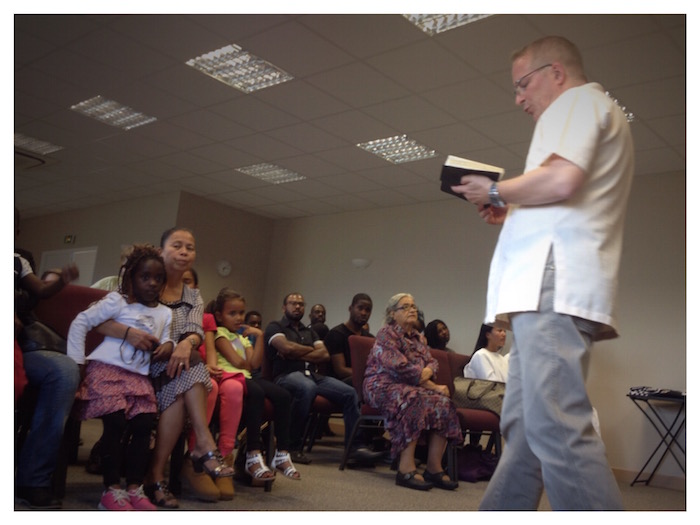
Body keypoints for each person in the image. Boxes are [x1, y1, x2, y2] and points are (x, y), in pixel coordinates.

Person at [451, 36, 632, 510]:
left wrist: (494, 191)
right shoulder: (595, 112)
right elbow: (566, 198)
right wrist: (511, 211)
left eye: (523, 84)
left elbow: (561, 178)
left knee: (555, 427)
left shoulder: (576, 102)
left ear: (556, 72)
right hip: (556, 284)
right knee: (527, 430)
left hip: (552, 286)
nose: (518, 98)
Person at [95, 227, 232, 508]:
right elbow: (98, 319)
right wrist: (131, 334)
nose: (184, 252)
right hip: (139, 365)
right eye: (177, 245)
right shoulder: (143, 282)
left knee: (181, 386)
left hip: (175, 368)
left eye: (190, 247)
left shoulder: (193, 295)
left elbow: (195, 331)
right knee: (191, 366)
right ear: (161, 251)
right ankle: (200, 446)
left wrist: (186, 344)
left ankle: (156, 475)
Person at [67, 244, 172, 510]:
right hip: (106, 369)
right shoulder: (117, 301)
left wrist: (168, 346)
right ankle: (111, 490)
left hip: (138, 378)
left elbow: (167, 336)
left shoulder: (165, 312)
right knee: (115, 424)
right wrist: (77, 363)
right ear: (131, 278)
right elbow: (81, 321)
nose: (152, 283)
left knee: (144, 426)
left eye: (158, 278)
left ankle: (135, 488)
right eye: (145, 277)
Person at [264, 293, 382, 465]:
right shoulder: (275, 327)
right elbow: (285, 347)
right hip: (286, 375)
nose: (297, 307)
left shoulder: (310, 332)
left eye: (301, 304)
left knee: (350, 393)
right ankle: (290, 447)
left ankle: (354, 448)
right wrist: (306, 351)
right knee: (307, 387)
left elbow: (325, 354)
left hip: (313, 376)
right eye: (293, 303)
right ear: (284, 307)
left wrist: (295, 352)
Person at [14, 208, 81, 509]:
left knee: (63, 371)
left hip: (20, 342)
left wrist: (62, 279)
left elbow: (40, 290)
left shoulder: (18, 260)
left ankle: (32, 478)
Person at [363, 293, 461, 491]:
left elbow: (432, 362)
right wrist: (432, 384)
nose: (412, 310)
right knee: (414, 399)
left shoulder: (418, 338)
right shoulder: (386, 334)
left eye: (414, 306)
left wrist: (427, 372)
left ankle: (433, 468)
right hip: (381, 385)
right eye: (405, 306)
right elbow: (399, 368)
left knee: (444, 403)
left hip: (411, 385)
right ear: (392, 314)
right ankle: (405, 468)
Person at [211, 287, 300, 484]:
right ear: (219, 315)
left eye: (241, 313)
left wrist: (260, 336)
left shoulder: (242, 338)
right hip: (230, 377)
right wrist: (246, 362)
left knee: (284, 396)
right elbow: (237, 362)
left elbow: (254, 364)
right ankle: (252, 453)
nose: (238, 318)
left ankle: (282, 453)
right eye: (232, 313)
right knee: (257, 392)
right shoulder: (219, 334)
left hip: (246, 377)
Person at [324, 293, 374, 385]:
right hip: (337, 383)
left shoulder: (370, 338)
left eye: (367, 310)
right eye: (360, 308)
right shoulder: (336, 334)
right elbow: (340, 370)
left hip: (362, 380)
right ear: (350, 309)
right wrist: (369, 375)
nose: (363, 313)